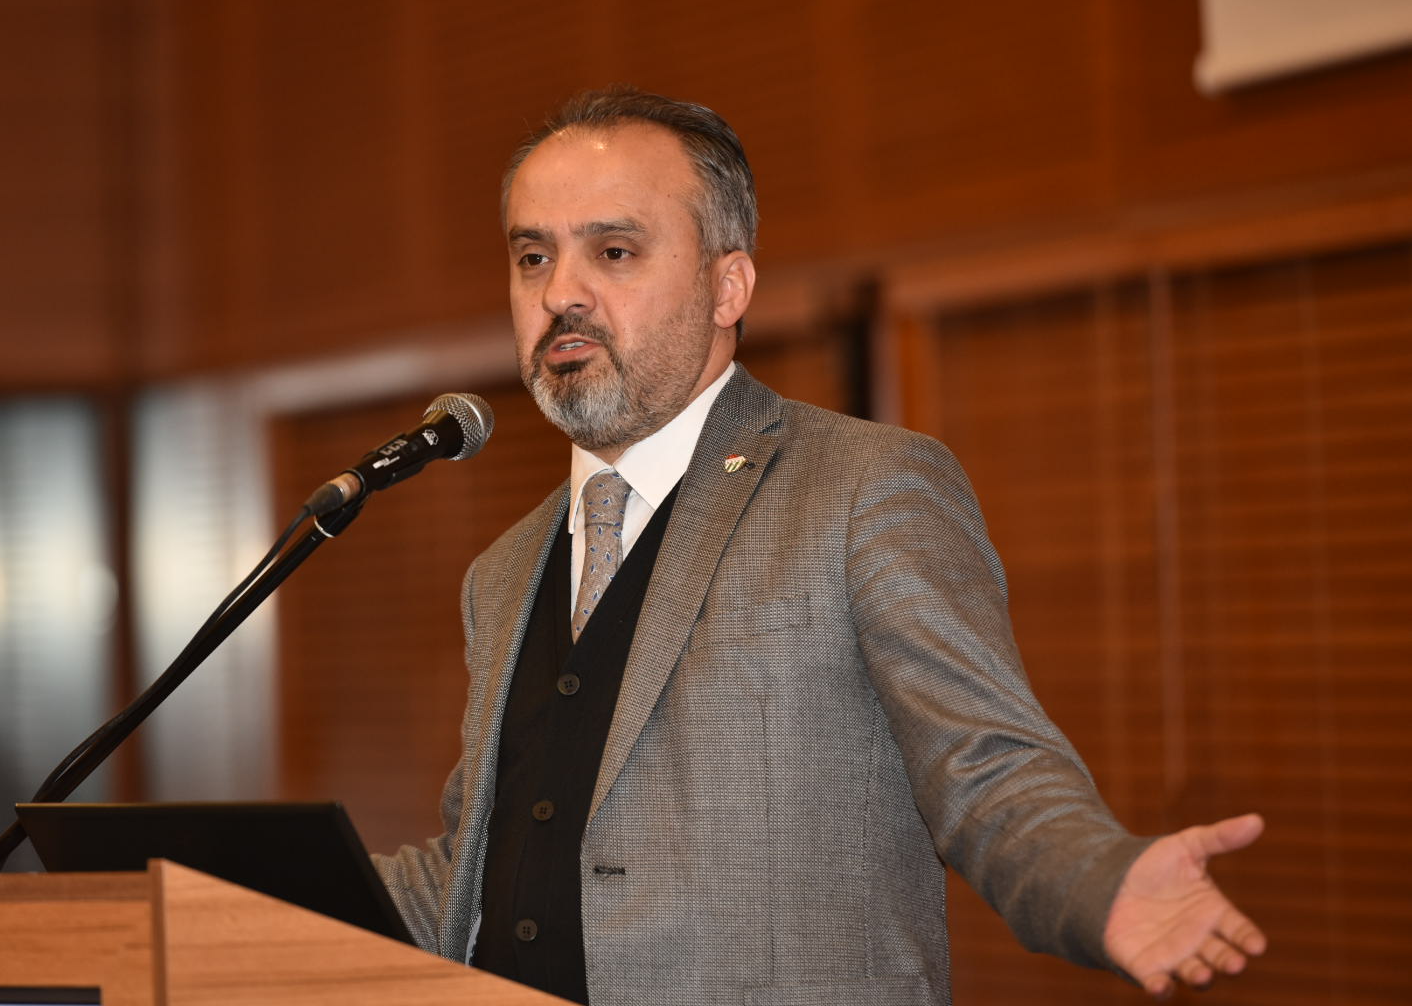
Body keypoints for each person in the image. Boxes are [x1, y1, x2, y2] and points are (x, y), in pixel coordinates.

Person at [373, 87, 1265, 1005]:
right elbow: (490, 866)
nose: (560, 293)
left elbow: (984, 767)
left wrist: (1099, 883)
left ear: (728, 287)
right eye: (533, 257)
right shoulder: (504, 572)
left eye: (614, 251)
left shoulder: (865, 488)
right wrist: (270, 881)